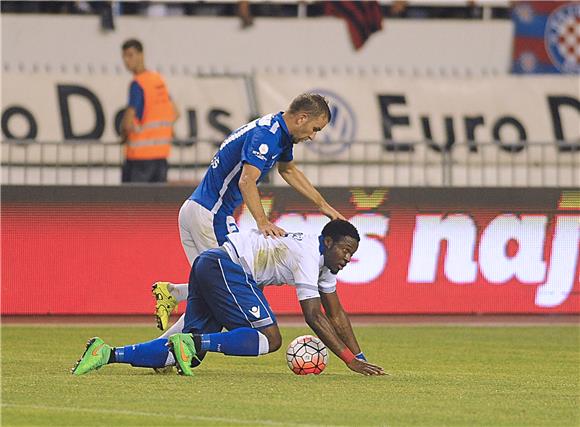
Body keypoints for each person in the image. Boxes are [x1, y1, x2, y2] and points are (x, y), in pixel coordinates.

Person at [71, 220, 385, 377]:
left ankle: (106, 353)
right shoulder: (307, 254)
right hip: (226, 266)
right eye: (345, 250)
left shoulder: (326, 266)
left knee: (185, 357)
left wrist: (359, 356)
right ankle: (196, 341)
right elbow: (314, 316)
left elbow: (336, 313)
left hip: (213, 266)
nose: (347, 259)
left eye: (351, 255)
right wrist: (348, 361)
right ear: (327, 241)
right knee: (270, 338)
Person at [151, 93, 345, 337]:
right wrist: (262, 222)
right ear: (302, 118)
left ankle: (172, 301)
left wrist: (323, 205)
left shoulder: (280, 134)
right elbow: (246, 181)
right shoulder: (267, 136)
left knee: (215, 290)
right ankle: (170, 343)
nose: (312, 136)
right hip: (212, 217)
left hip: (199, 210)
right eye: (314, 129)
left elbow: (288, 169)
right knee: (234, 286)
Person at [120, 39, 179, 183]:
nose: (127, 61)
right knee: (155, 204)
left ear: (141, 55)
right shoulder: (158, 80)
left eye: (130, 55)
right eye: (124, 57)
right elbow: (176, 113)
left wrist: (124, 133)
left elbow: (128, 122)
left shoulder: (138, 83)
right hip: (161, 156)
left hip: (139, 158)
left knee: (132, 203)